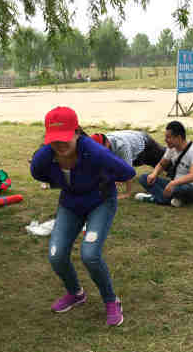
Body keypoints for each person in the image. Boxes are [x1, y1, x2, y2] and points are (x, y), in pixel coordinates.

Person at [30, 106, 135, 326]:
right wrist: (60, 181)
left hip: (101, 202)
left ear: (76, 132)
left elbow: (127, 171)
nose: (60, 144)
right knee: (56, 256)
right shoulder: (44, 156)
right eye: (54, 139)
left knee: (90, 254)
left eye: (65, 138)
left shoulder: (94, 151)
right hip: (70, 204)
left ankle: (111, 300)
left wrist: (103, 178)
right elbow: (36, 173)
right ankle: (75, 293)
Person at [135, 121, 193, 207]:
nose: (165, 140)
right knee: (144, 178)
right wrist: (154, 174)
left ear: (179, 138)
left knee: (181, 189)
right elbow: (161, 164)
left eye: (168, 137)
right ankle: (173, 200)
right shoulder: (171, 148)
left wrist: (173, 183)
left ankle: (154, 198)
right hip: (174, 184)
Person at [90, 130, 165, 199]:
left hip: (145, 145)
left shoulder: (122, 146)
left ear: (106, 142)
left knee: (166, 161)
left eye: (100, 148)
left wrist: (127, 193)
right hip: (132, 143)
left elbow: (128, 170)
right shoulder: (102, 144)